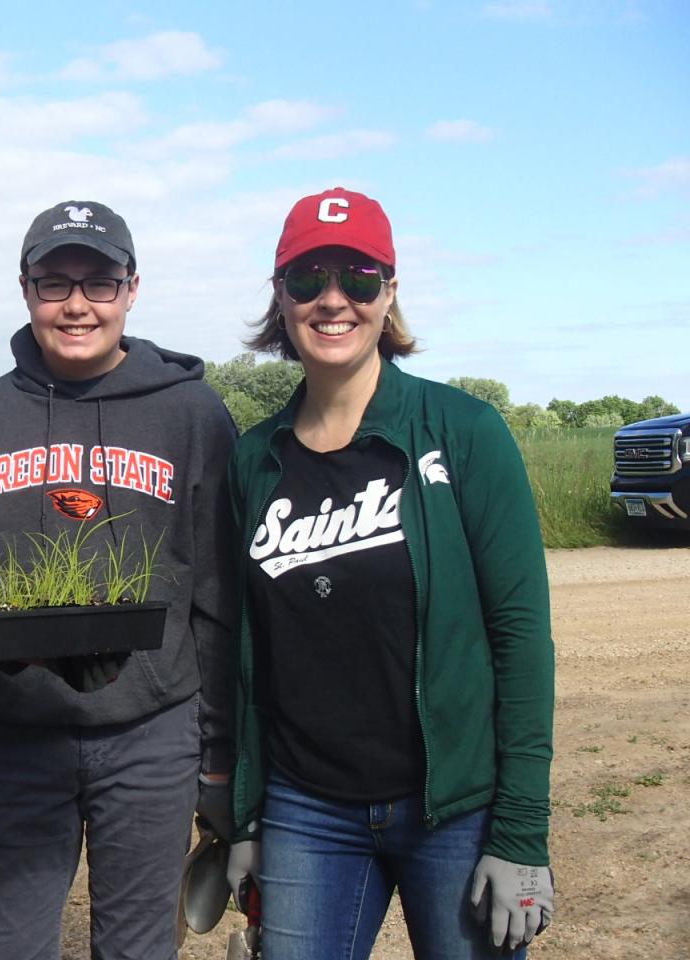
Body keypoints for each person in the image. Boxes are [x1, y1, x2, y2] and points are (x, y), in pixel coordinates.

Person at [224, 187, 555, 959]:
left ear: (390, 292)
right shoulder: (254, 459)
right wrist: (242, 817)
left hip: (456, 811)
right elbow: (242, 655)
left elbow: (522, 639)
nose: (332, 300)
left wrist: (521, 832)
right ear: (280, 296)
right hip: (307, 809)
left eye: (358, 278)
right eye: (308, 280)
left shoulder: (464, 432)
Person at [0, 200, 239, 960]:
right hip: (13, 736)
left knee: (138, 947)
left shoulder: (192, 414)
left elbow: (217, 598)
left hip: (152, 735)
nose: (78, 304)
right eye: (55, 283)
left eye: (100, 282)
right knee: (4, 945)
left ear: (132, 288)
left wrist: (219, 757)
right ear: (25, 290)